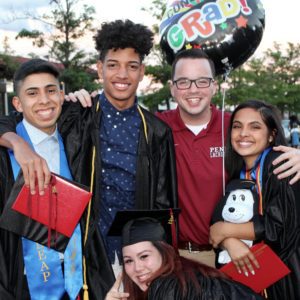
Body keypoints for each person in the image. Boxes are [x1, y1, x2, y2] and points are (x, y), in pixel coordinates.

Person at [63, 48, 300, 268]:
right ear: (172, 88)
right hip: (172, 259)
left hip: (231, 254)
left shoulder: (236, 129)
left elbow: (272, 165)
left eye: (202, 81)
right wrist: (79, 101)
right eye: (183, 82)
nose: (193, 89)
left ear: (214, 86)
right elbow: (109, 116)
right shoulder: (153, 128)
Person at [0, 19, 178, 295]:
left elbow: (164, 204)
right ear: (99, 68)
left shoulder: (156, 132)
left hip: (133, 255)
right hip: (84, 252)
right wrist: (16, 143)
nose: (122, 74)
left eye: (132, 66)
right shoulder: (77, 114)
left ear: (142, 71)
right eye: (112, 65)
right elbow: (16, 120)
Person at [0, 59, 88, 299]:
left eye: (51, 90)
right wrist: (16, 142)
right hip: (22, 280)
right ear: (17, 103)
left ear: (61, 95)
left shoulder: (76, 139)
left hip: (76, 276)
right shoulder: (6, 155)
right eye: (32, 93)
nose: (44, 100)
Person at [209, 100, 300, 299]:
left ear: (272, 135)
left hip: (284, 278)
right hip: (251, 277)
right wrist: (229, 241)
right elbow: (217, 224)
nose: (243, 133)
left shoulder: (282, 168)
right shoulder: (237, 175)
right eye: (237, 126)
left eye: (255, 127)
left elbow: (279, 229)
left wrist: (225, 230)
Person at [105, 210, 263, 300]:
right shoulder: (183, 278)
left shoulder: (169, 287)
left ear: (164, 252)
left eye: (144, 256)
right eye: (128, 260)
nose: (137, 268)